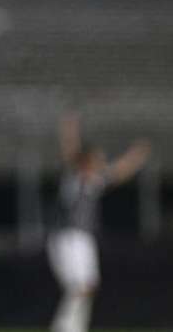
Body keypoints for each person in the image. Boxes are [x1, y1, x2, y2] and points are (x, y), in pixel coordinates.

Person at [48, 112, 150, 332]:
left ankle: (75, 327)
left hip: (83, 237)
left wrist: (135, 157)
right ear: (86, 161)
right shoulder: (74, 176)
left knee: (88, 286)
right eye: (97, 158)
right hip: (69, 236)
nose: (101, 162)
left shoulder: (94, 181)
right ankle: (64, 327)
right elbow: (70, 151)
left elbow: (118, 172)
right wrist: (70, 128)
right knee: (79, 286)